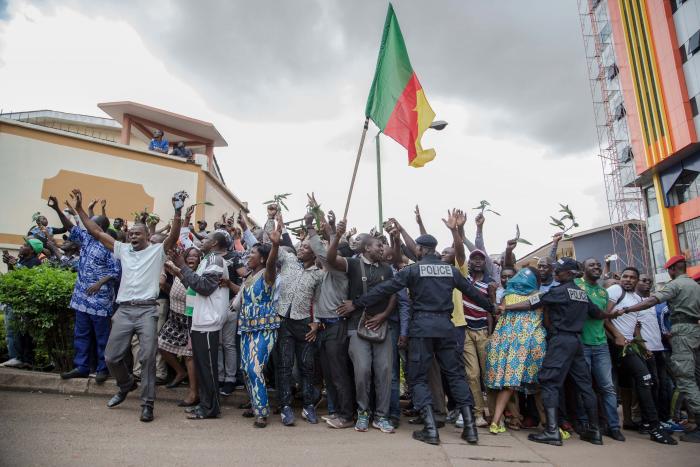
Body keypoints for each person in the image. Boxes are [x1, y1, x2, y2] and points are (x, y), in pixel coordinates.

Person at [340, 231, 495, 446]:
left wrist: (357, 303)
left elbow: (385, 289)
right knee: (456, 376)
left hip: (422, 328)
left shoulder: (413, 270)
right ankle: (470, 429)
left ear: (421, 250)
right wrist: (493, 307)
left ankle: (431, 429)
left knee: (419, 378)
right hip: (446, 327)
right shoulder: (450, 271)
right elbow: (473, 293)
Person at [71, 188, 181, 423]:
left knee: (148, 357)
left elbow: (172, 237)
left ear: (147, 236)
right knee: (111, 357)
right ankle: (126, 384)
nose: (132, 236)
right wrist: (80, 208)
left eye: (137, 233)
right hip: (124, 310)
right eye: (130, 233)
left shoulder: (156, 252)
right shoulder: (122, 251)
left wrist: (178, 212)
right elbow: (97, 231)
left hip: (147, 310)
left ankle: (147, 404)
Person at [503, 258, 621, 446]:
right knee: (585, 385)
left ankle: (551, 431)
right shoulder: (581, 293)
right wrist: (612, 314)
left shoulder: (558, 292)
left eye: (559, 271)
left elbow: (532, 303)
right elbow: (598, 313)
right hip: (577, 342)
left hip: (560, 341)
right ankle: (594, 431)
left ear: (569, 273)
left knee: (549, 382)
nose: (555, 273)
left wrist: (506, 307)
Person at [618, 255, 700, 443]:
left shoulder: (675, 285)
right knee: (694, 377)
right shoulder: (695, 286)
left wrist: (627, 310)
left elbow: (650, 301)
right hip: (694, 330)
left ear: (672, 270)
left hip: (681, 332)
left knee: (685, 378)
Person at [329, 220, 397, 434]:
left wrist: (384, 315)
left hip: (382, 326)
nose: (382, 248)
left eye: (383, 246)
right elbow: (330, 259)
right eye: (378, 245)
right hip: (357, 326)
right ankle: (363, 412)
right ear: (367, 248)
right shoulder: (353, 263)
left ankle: (382, 417)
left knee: (384, 371)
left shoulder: (387, 268)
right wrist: (336, 237)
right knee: (362, 370)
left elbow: (393, 294)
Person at [47, 195, 121, 384]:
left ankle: (103, 369)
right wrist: (56, 208)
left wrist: (98, 283)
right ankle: (81, 367)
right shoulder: (86, 239)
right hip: (81, 297)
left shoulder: (110, 247)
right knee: (81, 334)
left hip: (100, 299)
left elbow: (116, 271)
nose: (88, 227)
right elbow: (71, 227)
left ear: (100, 228)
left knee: (102, 337)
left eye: (91, 224)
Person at [604, 267, 676, 444]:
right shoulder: (615, 290)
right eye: (625, 276)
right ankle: (654, 427)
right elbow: (604, 316)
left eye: (632, 277)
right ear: (620, 278)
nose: (628, 280)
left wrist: (641, 346)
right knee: (642, 378)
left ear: (636, 281)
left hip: (630, 345)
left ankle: (645, 424)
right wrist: (618, 336)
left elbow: (635, 325)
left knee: (636, 383)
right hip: (613, 345)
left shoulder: (636, 299)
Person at [172, 231, 230, 420]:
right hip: (200, 320)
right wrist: (179, 270)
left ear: (213, 243)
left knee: (207, 369)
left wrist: (182, 265)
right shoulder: (208, 259)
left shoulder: (216, 260)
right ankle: (205, 404)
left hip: (208, 321)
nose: (202, 241)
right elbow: (194, 286)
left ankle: (210, 408)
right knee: (202, 367)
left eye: (206, 239)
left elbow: (205, 288)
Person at [275, 212, 323, 426]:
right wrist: (277, 233)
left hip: (304, 324)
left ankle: (308, 405)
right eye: (301, 246)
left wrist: (317, 322)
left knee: (307, 366)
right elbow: (276, 247)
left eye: (305, 247)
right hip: (283, 321)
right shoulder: (289, 260)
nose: (300, 248)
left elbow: (320, 301)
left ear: (314, 254)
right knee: (284, 366)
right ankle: (285, 406)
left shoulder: (318, 275)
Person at [231, 222, 281, 428]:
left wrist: (275, 246)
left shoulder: (268, 275)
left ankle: (262, 412)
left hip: (265, 329)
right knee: (245, 369)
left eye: (252, 253)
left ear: (262, 258)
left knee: (255, 368)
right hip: (247, 328)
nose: (248, 256)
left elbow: (271, 264)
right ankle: (254, 404)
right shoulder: (249, 277)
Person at [486, 267, 546, 434]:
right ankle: (548, 425)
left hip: (511, 347)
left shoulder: (508, 296)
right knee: (539, 386)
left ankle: (495, 422)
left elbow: (502, 314)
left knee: (509, 385)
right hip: (533, 344)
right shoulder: (540, 296)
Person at [308, 217, 355, 430]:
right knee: (329, 373)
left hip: (336, 327)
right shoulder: (326, 274)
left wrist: (311, 229)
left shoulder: (340, 272)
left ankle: (347, 416)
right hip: (325, 327)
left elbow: (321, 252)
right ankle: (336, 411)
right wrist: (330, 232)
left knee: (338, 374)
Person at [573, 257, 622, 440]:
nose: (596, 267)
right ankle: (586, 423)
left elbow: (604, 318)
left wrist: (617, 334)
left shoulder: (603, 292)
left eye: (598, 265)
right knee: (583, 387)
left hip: (601, 344)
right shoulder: (576, 285)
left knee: (607, 387)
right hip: (581, 343)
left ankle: (613, 426)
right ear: (583, 269)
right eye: (591, 264)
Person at [158, 248, 201, 407]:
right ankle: (180, 372)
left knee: (189, 357)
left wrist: (177, 270)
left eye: (195, 256)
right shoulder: (177, 270)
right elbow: (162, 259)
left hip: (189, 319)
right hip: (173, 317)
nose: (192, 258)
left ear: (199, 260)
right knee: (161, 344)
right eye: (189, 255)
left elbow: (193, 290)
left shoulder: (197, 275)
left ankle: (193, 392)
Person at [1, 239, 44, 369]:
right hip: (14, 300)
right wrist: (10, 265)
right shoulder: (22, 261)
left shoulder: (35, 262)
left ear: (32, 250)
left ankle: (19, 358)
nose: (21, 246)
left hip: (22, 303)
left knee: (17, 332)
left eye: (25, 245)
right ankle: (17, 358)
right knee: (14, 332)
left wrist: (17, 266)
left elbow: (28, 278)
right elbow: (12, 276)